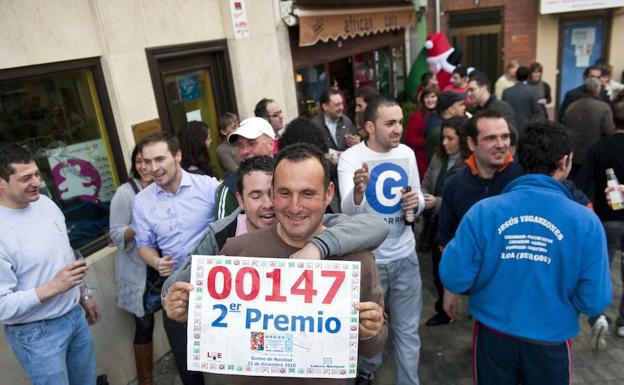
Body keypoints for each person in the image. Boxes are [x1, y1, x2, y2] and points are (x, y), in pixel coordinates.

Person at [166, 144, 388, 385]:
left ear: (329, 193)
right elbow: (218, 332)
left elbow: (372, 347)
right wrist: (191, 314)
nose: (294, 206)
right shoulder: (236, 252)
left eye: (308, 193)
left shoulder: (357, 260)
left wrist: (369, 331)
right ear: (273, 192)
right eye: (284, 192)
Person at [440, 120, 611, 385]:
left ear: (517, 157)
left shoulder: (483, 211)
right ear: (565, 162)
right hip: (551, 340)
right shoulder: (585, 221)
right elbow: (594, 300)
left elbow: (454, 277)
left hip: (492, 336)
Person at [162, 155, 389, 321]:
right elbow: (175, 288)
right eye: (256, 195)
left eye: (275, 194)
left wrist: (316, 247)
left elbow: (374, 225)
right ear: (240, 201)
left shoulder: (306, 224)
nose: (269, 204)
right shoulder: (224, 237)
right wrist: (177, 303)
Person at [338, 96, 425, 385]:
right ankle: (367, 369)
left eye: (400, 121)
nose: (398, 128)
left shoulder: (408, 154)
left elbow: (417, 199)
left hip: (405, 258)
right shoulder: (351, 158)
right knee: (369, 331)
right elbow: (348, 211)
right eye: (390, 123)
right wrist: (359, 191)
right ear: (370, 127)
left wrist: (418, 202)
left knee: (407, 332)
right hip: (370, 262)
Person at [0, 143, 101, 385]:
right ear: (1, 183)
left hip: (75, 317)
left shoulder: (45, 204)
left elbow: (66, 256)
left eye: (36, 173)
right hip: (36, 333)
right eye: (25, 178)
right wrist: (55, 287)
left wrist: (83, 294)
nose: (36, 182)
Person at [133, 132, 221, 385]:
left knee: (228, 362)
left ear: (178, 155)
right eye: (147, 162)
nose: (153, 168)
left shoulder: (208, 187)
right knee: (189, 371)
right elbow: (144, 245)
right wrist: (155, 261)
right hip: (175, 291)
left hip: (216, 287)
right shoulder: (141, 202)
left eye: (159, 159)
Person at [437, 109, 524, 317]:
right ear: (471, 144)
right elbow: (446, 240)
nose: (501, 144)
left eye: (505, 137)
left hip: (522, 288)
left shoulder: (525, 176)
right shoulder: (455, 185)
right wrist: (449, 289)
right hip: (479, 292)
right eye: (491, 138)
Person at [110, 145, 157, 385]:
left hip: (163, 268)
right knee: (144, 324)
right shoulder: (125, 193)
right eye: (138, 161)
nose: (144, 166)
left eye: (147, 161)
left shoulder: (163, 188)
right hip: (138, 273)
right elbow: (115, 234)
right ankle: (145, 380)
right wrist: (141, 225)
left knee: (175, 317)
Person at [579, 97, 624, 337]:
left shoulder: (598, 148)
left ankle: (598, 315)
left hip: (605, 219)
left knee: (601, 269)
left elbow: (584, 182)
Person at [420, 117, 470, 326]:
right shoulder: (438, 158)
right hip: (435, 224)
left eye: (451, 138)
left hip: (458, 226)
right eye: (443, 138)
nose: (445, 143)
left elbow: (463, 198)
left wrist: (437, 202)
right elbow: (425, 183)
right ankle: (443, 308)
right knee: (438, 269)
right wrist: (424, 197)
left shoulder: (469, 165)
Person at [215, 117, 276, 219]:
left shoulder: (289, 171)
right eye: (240, 145)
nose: (244, 152)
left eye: (252, 143)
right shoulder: (230, 188)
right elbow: (224, 232)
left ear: (271, 143)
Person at [562, 77, 614, 185]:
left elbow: (564, 126)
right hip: (594, 153)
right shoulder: (603, 107)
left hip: (574, 155)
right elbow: (609, 131)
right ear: (597, 90)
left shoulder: (571, 107)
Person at [405, 83, 440, 178]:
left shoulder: (442, 114)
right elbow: (410, 139)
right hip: (423, 160)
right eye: (427, 97)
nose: (430, 100)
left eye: (433, 96)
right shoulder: (417, 116)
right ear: (423, 99)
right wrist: (430, 141)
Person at [425, 91, 466, 161]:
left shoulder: (438, 122)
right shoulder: (438, 131)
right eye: (461, 105)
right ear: (451, 110)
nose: (464, 107)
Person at [502, 66, 543, 137]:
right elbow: (536, 111)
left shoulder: (506, 92)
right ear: (528, 76)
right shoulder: (532, 91)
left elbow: (503, 110)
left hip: (509, 128)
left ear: (516, 76)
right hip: (527, 129)